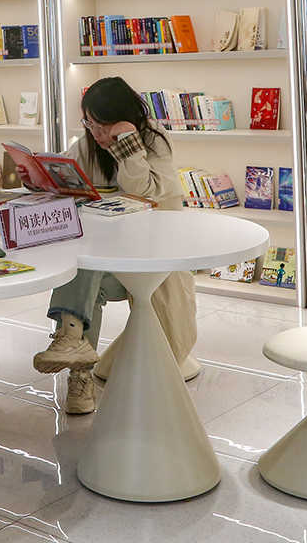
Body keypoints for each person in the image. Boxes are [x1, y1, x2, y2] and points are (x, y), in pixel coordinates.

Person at [30, 77, 197, 416]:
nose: (95, 133)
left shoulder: (154, 141)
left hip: (149, 256)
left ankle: (71, 339)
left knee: (88, 265)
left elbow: (143, 190)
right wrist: (37, 176)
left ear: (123, 119)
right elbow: (66, 173)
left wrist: (128, 145)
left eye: (102, 125)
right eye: (89, 124)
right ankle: (78, 370)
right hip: (108, 261)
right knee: (84, 266)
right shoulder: (88, 143)